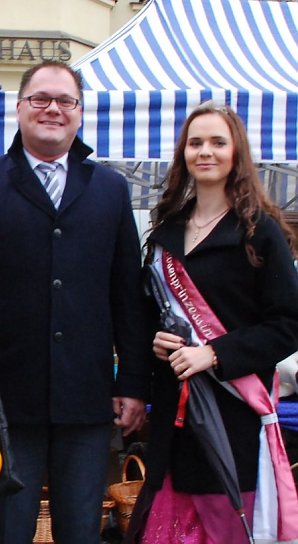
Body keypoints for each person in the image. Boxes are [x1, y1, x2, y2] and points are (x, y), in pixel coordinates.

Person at [0, 60, 150, 544]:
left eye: (65, 100)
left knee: (82, 531)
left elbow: (127, 292)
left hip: (88, 397)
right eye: (40, 99)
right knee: (9, 532)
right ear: (19, 109)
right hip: (6, 399)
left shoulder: (110, 187)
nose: (52, 109)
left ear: (80, 113)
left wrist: (135, 382)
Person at [128, 101, 298, 543]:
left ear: (236, 153)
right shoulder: (166, 229)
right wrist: (158, 342)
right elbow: (149, 315)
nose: (206, 151)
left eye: (218, 142)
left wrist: (214, 353)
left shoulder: (261, 232)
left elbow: (288, 323)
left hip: (231, 414)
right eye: (196, 142)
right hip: (173, 418)